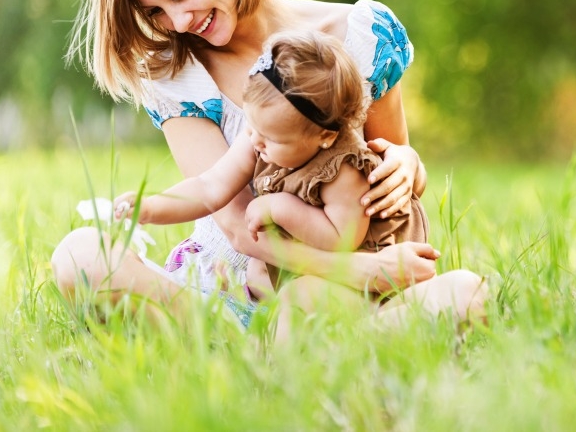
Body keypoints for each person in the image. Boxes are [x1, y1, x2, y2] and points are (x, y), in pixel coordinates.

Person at [51, 0, 486, 331]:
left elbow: (389, 168)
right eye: (156, 11)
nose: (177, 21)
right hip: (232, 294)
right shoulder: (179, 75)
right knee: (80, 257)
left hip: (348, 292)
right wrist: (353, 268)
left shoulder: (361, 34)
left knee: (467, 294)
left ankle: (308, 350)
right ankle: (275, 347)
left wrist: (406, 165)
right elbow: (239, 225)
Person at [113, 30, 430, 299]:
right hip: (318, 269)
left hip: (367, 267)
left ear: (325, 136)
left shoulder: (344, 170)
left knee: (303, 297)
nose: (257, 142)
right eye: (254, 128)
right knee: (270, 283)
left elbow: (339, 240)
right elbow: (210, 187)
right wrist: (151, 207)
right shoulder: (262, 136)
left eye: (271, 138)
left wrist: (282, 208)